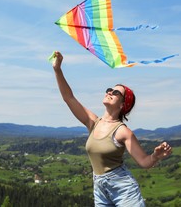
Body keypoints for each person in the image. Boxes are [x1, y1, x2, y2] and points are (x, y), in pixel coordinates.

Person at [51, 51, 172, 207]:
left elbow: (143, 162)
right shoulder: (93, 122)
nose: (109, 92)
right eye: (109, 89)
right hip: (99, 188)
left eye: (115, 93)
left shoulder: (122, 131)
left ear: (122, 105)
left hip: (122, 188)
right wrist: (57, 69)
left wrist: (156, 156)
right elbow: (69, 98)